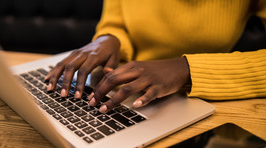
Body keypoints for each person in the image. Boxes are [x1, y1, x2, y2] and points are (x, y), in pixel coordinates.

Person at [45, 0, 266, 114]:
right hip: (128, 89)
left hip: (209, 100)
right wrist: (108, 38)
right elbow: (116, 22)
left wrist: (188, 69)